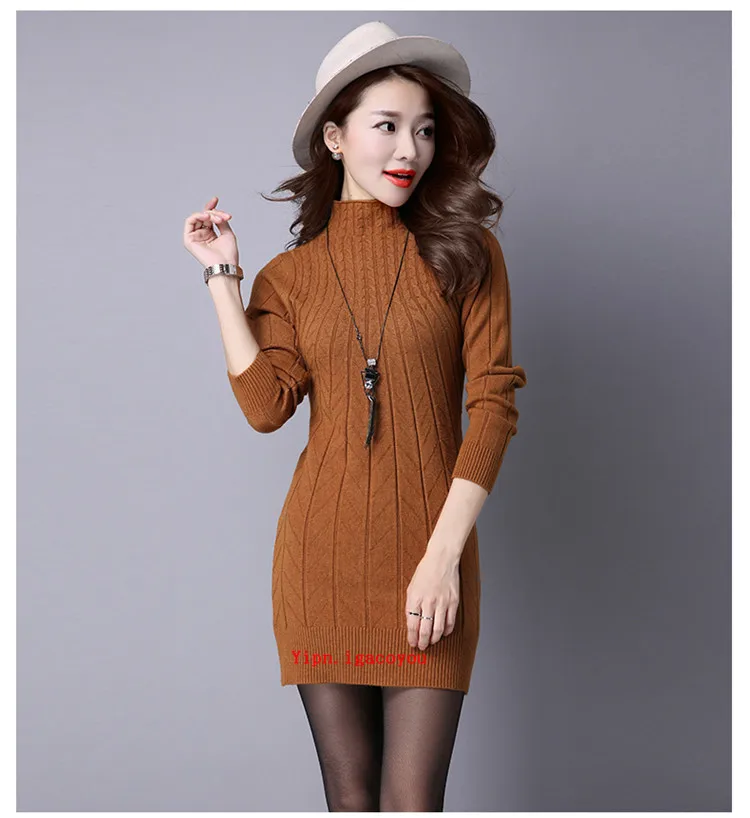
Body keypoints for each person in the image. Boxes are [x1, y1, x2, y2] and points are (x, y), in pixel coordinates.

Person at [182, 19, 528, 812]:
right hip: (322, 565)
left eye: (425, 129)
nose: (410, 149)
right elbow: (266, 407)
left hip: (431, 558)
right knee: (350, 800)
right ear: (335, 139)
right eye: (387, 126)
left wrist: (442, 559)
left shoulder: (466, 253)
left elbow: (493, 407)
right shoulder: (290, 277)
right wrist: (223, 279)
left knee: (412, 803)